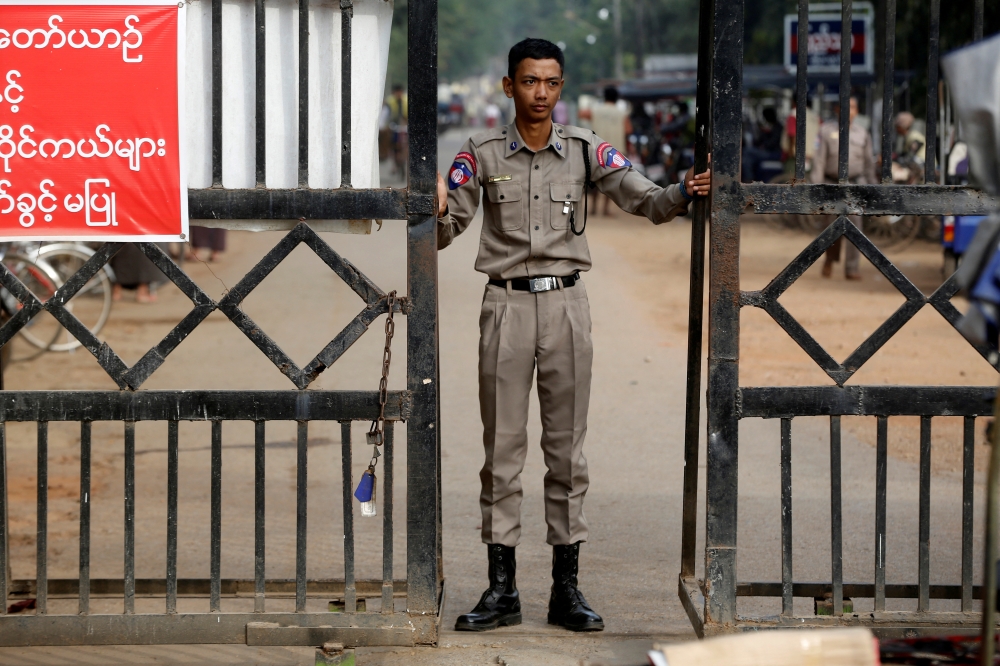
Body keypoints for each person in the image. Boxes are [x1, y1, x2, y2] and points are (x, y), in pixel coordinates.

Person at [435, 38, 711, 634]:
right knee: (501, 454)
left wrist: (684, 192)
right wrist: (429, 207)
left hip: (566, 308)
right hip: (505, 310)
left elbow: (644, 199)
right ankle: (502, 589)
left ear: (561, 87)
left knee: (566, 453)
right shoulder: (479, 153)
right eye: (530, 81)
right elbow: (445, 228)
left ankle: (566, 589)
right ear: (508, 86)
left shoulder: (585, 150)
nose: (541, 93)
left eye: (551, 82)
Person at [810, 96, 876, 280]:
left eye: (853, 107)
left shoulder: (863, 133)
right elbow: (819, 161)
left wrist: (874, 188)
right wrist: (816, 190)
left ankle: (852, 268)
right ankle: (830, 259)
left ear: (857, 111)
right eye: (845, 107)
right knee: (831, 227)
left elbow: (869, 163)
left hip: (855, 185)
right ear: (837, 109)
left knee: (856, 227)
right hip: (831, 184)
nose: (849, 110)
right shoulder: (826, 131)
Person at [583, 86, 631, 216]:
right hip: (615, 150)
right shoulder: (622, 112)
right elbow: (628, 130)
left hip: (596, 148)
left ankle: (593, 208)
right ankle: (605, 209)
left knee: (593, 178)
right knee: (610, 180)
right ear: (617, 98)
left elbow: (581, 114)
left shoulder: (595, 110)